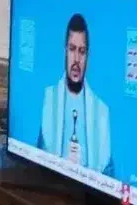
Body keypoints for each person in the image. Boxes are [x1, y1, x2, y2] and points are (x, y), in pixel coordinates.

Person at [38, 12, 112, 175]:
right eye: (72, 49)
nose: (76, 59)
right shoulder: (48, 98)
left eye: (82, 51)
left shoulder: (102, 112)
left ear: (87, 56)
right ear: (65, 51)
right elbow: (38, 164)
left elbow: (107, 176)